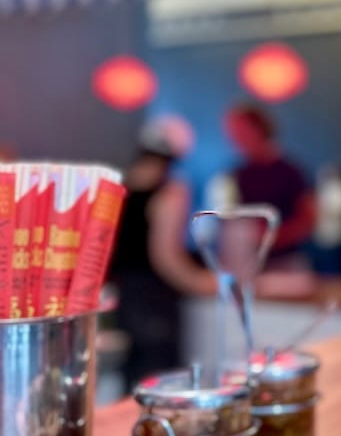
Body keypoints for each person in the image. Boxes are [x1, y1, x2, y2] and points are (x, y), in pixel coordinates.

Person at [111, 117, 217, 391]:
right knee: (161, 389)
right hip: (156, 303)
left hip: (125, 299)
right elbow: (166, 259)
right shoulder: (171, 192)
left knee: (133, 386)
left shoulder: (119, 188)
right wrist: (208, 283)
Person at [211, 104, 316, 267]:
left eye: (241, 130)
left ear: (259, 129)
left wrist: (271, 237)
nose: (235, 137)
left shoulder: (291, 172)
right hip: (246, 262)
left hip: (285, 262)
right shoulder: (235, 174)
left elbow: (308, 221)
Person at [311, 164, 341, 277]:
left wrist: (330, 212)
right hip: (320, 234)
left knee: (334, 270)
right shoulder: (323, 188)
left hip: (336, 234)